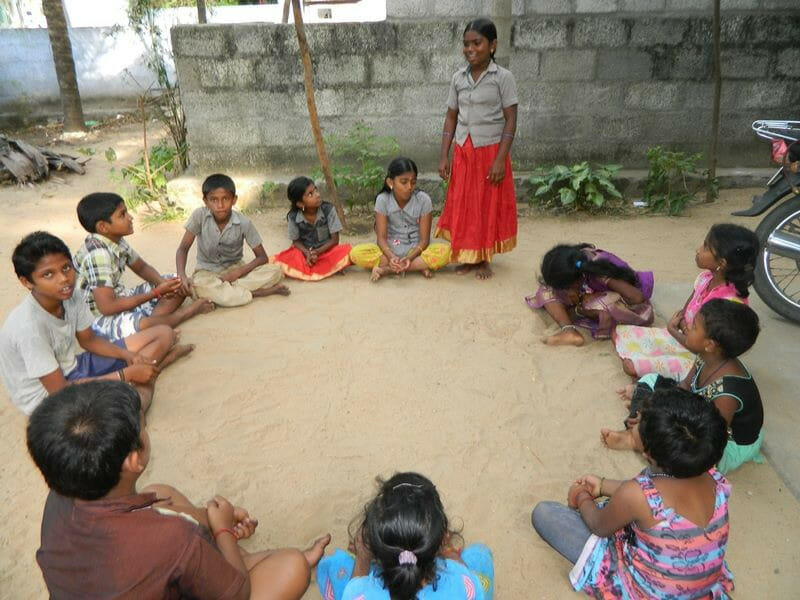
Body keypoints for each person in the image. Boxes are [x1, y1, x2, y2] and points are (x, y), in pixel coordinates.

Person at [29, 380, 331, 599]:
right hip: (200, 574)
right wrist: (223, 530)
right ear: (134, 459)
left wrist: (211, 522)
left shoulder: (59, 499)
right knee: (292, 567)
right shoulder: (173, 539)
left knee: (161, 493)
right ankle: (241, 558)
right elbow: (238, 594)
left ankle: (237, 557)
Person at [532, 389, 734, 598]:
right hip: (697, 588)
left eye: (640, 422)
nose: (633, 421)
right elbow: (651, 499)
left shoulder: (635, 494)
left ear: (648, 454)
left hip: (647, 593)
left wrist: (582, 496)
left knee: (545, 514)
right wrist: (602, 485)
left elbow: (599, 525)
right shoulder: (711, 477)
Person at [0, 232, 191, 415]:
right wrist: (126, 374)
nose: (64, 279)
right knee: (132, 404)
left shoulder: (70, 294)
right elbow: (60, 392)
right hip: (51, 400)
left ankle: (138, 383)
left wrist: (128, 355)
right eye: (48, 275)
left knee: (164, 334)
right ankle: (149, 376)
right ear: (27, 282)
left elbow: (89, 341)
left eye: (66, 268)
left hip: (74, 368)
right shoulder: (29, 328)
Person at [603, 299, 763, 474]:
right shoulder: (707, 356)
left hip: (726, 443)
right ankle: (641, 427)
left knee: (681, 450)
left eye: (694, 327)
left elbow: (711, 440)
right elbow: (684, 386)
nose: (687, 328)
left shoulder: (728, 394)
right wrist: (653, 408)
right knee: (650, 380)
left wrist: (657, 415)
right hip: (697, 411)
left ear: (709, 344)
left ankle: (636, 438)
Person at [316, 472, 494, 600]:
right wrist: (448, 551)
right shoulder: (460, 581)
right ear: (439, 540)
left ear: (375, 547)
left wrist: (362, 559)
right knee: (480, 555)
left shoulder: (361, 593)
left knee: (335, 564)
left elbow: (353, 592)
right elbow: (466, 580)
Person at [613, 223, 758, 379]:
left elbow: (700, 347)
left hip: (700, 358)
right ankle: (657, 366)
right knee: (618, 332)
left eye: (706, 247)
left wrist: (674, 330)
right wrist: (681, 327)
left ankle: (677, 378)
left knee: (630, 366)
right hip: (684, 337)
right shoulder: (706, 278)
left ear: (721, 263)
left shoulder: (728, 302)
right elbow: (686, 310)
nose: (698, 249)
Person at [436, 18, 518, 280]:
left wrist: (500, 160)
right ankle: (468, 256)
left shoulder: (503, 78)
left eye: (477, 43)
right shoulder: (458, 79)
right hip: (463, 150)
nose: (470, 49)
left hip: (489, 152)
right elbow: (451, 117)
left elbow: (511, 119)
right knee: (464, 204)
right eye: (466, 44)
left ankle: (483, 258)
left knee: (485, 205)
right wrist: (444, 155)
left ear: (492, 45)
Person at [74, 192, 214, 341]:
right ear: (103, 227)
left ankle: (153, 326)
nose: (130, 217)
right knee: (143, 323)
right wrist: (155, 293)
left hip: (118, 299)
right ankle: (184, 314)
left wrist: (163, 285)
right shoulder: (98, 255)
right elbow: (107, 307)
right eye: (122, 215)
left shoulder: (116, 240)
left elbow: (142, 268)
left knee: (175, 282)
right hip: (96, 320)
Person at [176, 173, 289, 307]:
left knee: (275, 272)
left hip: (236, 269)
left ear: (234, 199)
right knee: (198, 284)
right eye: (214, 200)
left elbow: (262, 257)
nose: (220, 205)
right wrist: (181, 276)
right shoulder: (199, 216)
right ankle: (257, 292)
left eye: (225, 199)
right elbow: (183, 248)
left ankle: (226, 291)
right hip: (207, 272)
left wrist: (238, 273)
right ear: (205, 201)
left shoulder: (243, 223)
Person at [526, 243, 654, 346]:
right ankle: (569, 331)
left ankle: (580, 312)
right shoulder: (575, 263)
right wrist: (575, 292)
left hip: (633, 307)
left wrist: (584, 301)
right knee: (546, 290)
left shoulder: (600, 272)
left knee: (592, 304)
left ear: (575, 281)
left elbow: (637, 298)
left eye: (567, 287)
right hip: (589, 290)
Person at [350, 158, 451, 281]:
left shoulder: (424, 200)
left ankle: (387, 269)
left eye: (413, 182)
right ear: (390, 182)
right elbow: (381, 238)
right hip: (389, 249)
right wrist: (391, 257)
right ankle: (418, 266)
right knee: (356, 253)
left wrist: (410, 258)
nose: (409, 187)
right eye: (404, 182)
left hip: (416, 249)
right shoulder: (383, 200)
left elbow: (424, 241)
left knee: (448, 252)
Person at [270, 176, 352, 280]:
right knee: (290, 255)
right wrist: (307, 253)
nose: (317, 195)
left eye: (316, 190)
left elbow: (335, 240)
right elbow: (296, 242)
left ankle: (310, 268)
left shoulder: (328, 209)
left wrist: (317, 252)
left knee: (346, 251)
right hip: (305, 253)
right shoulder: (293, 217)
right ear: (300, 204)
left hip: (326, 251)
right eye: (310, 194)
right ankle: (326, 267)